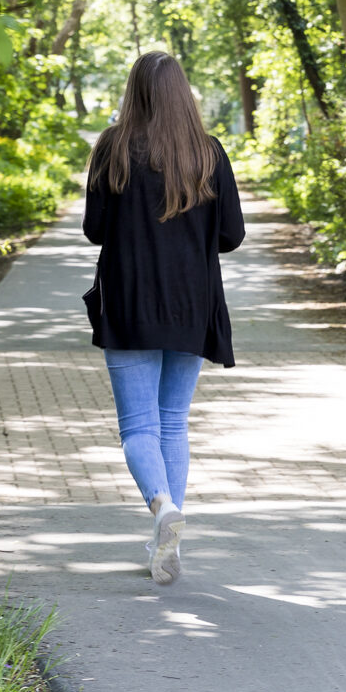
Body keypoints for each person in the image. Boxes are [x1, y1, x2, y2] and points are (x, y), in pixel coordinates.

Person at [82, 51, 244, 586]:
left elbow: (95, 229)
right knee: (172, 420)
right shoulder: (209, 153)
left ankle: (161, 508)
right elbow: (231, 236)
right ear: (183, 94)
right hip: (192, 304)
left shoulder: (113, 149)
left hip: (129, 301)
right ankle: (164, 535)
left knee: (138, 425)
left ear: (135, 93)